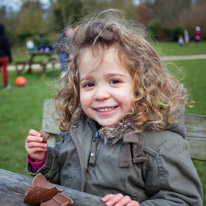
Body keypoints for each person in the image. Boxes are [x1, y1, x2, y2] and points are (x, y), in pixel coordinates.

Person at [25, 10, 203, 206]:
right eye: (89, 84)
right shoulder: (78, 130)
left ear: (140, 84)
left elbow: (184, 200)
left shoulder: (162, 144)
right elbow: (63, 175)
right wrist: (43, 158)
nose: (101, 94)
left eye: (114, 81)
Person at [0, 23, 12, 89]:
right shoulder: (5, 38)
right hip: (4, 57)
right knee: (5, 71)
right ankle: (6, 85)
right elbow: (7, 49)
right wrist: (10, 58)